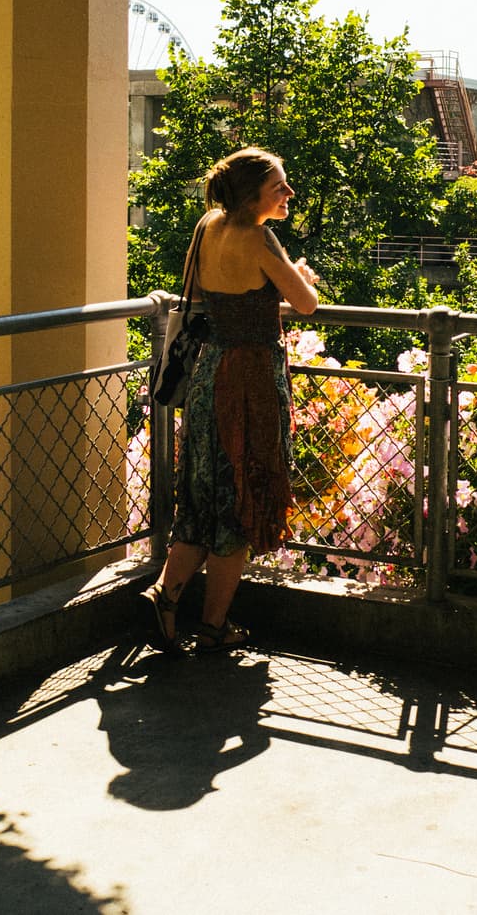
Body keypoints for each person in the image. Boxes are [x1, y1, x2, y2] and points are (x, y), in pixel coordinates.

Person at [148, 147, 320, 654]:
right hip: (249, 383)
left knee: (202, 496)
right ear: (251, 197)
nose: (288, 193)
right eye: (278, 188)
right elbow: (307, 305)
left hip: (208, 375)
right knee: (241, 499)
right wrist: (298, 276)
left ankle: (165, 595)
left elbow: (203, 289)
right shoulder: (260, 237)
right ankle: (213, 625)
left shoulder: (207, 226)